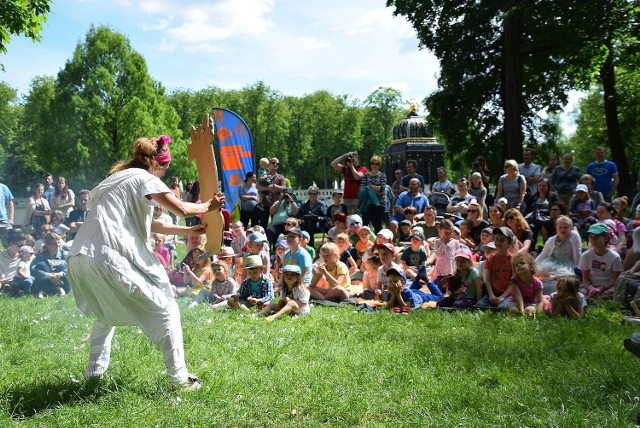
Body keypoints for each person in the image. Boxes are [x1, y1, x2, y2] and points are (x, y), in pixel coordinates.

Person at [66, 134, 225, 390]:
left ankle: (93, 377)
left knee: (105, 316)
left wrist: (188, 232)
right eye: (165, 168)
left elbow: (149, 224)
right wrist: (209, 205)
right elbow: (182, 209)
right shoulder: (145, 179)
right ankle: (180, 380)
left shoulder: (116, 180)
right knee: (167, 309)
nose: (164, 174)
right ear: (156, 164)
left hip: (80, 257)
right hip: (108, 255)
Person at [535, 215, 582, 290]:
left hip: (567, 262)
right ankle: (545, 280)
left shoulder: (574, 236)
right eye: (560, 227)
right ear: (556, 228)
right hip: (553, 261)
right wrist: (533, 265)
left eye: (565, 228)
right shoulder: (551, 240)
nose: (562, 230)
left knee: (565, 274)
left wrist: (578, 266)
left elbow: (578, 252)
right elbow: (543, 255)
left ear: (570, 228)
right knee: (541, 269)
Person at [579, 223, 623, 301]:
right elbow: (585, 279)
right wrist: (591, 288)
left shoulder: (614, 257)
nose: (593, 240)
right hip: (592, 285)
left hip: (608, 286)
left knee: (612, 293)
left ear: (606, 238)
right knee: (580, 294)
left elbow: (614, 280)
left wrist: (602, 288)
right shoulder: (585, 256)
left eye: (596, 237)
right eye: (591, 237)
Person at [477, 227, 515, 308]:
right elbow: (487, 280)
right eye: (496, 239)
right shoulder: (490, 258)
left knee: (503, 307)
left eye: (502, 240)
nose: (498, 242)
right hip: (492, 293)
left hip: (508, 294)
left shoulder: (513, 260)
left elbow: (514, 282)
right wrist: (491, 295)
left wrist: (502, 297)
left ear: (509, 243)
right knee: (480, 306)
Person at [32, 232, 70, 298]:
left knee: (61, 265)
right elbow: (32, 269)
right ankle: (52, 290)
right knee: (42, 265)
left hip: (62, 281)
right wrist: (48, 275)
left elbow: (71, 268)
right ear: (47, 245)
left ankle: (58, 288)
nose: (58, 245)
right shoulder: (40, 256)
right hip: (45, 281)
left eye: (58, 242)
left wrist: (61, 274)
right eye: (54, 244)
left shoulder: (65, 254)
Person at [507, 252, 544, 316]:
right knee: (513, 310)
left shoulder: (537, 283)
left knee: (529, 310)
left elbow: (540, 300)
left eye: (522, 263)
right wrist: (522, 311)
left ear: (531, 267)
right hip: (515, 302)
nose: (518, 265)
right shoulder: (514, 280)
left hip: (530, 303)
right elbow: (518, 296)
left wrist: (539, 312)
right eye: (516, 265)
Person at [358, 155, 387, 233]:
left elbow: (383, 189)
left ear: (379, 165)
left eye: (377, 164)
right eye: (372, 163)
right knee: (364, 225)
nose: (374, 165)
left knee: (377, 226)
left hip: (379, 203)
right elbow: (362, 189)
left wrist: (370, 186)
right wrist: (375, 189)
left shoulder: (382, 175)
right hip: (367, 203)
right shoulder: (366, 175)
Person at [255, 157, 286, 228]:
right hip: (264, 205)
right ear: (269, 164)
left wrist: (274, 186)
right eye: (273, 163)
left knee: (276, 225)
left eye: (277, 163)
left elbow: (284, 188)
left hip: (276, 205)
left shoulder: (280, 177)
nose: (275, 164)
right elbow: (257, 186)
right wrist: (267, 188)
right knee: (263, 225)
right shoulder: (264, 174)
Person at [0, 182, 14, 248]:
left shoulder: (3, 187)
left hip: (3, 221)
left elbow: (10, 203)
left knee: (9, 245)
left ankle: (9, 258)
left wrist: (11, 218)